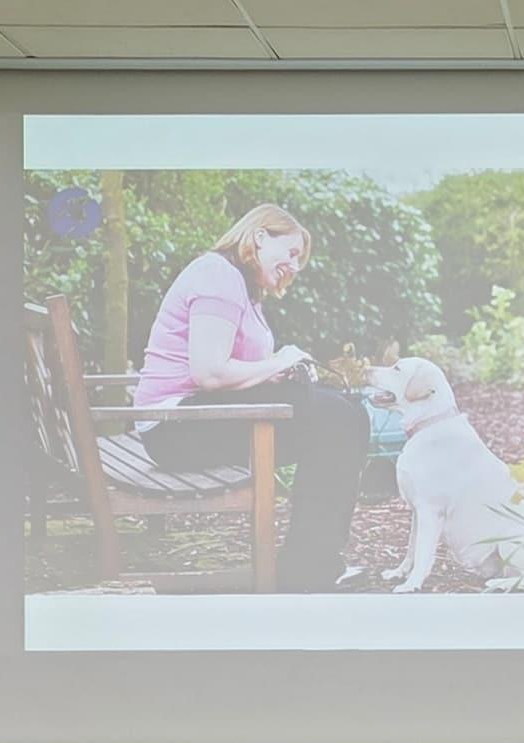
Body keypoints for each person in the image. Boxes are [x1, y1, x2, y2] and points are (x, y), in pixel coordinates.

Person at [135, 204, 369, 592]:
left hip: (192, 419)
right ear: (260, 236)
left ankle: (313, 562)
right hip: (175, 428)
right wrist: (279, 361)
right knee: (337, 420)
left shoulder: (238, 284)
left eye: (300, 260)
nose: (295, 267)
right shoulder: (218, 276)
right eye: (291, 253)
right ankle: (308, 570)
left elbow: (233, 372)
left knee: (349, 411)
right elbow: (209, 373)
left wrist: (281, 369)